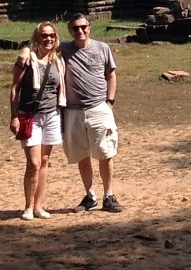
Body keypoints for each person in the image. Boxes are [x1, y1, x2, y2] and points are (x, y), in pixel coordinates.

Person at [61, 13, 122, 213]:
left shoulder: (103, 48)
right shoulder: (64, 50)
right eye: (75, 28)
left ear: (90, 28)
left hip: (99, 108)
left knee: (105, 152)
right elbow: (39, 48)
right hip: (73, 110)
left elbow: (111, 75)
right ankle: (90, 195)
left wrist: (109, 102)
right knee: (82, 155)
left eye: (83, 27)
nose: (80, 31)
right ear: (70, 31)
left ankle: (109, 195)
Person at [10, 21, 66, 221]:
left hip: (52, 115)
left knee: (44, 161)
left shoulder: (59, 60)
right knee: (33, 162)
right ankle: (27, 206)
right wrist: (14, 115)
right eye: (44, 35)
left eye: (51, 35)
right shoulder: (27, 59)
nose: (48, 39)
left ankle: (39, 206)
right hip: (30, 115)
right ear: (37, 37)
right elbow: (15, 88)